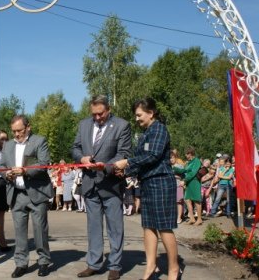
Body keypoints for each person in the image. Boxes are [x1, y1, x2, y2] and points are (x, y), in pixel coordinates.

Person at [114, 97, 181, 280]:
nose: (136, 119)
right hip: (148, 183)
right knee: (148, 226)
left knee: (164, 227)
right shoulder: (145, 133)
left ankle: (173, 268)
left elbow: (153, 155)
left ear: (151, 113)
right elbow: (142, 162)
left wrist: (127, 162)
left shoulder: (159, 129)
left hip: (161, 182)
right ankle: (151, 266)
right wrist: (125, 171)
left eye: (139, 115)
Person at [72, 95, 131, 280]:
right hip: (90, 185)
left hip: (111, 184)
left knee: (115, 227)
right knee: (94, 227)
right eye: (94, 114)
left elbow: (124, 153)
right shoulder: (84, 125)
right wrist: (81, 158)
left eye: (101, 114)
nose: (97, 118)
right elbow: (75, 148)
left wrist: (104, 166)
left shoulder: (122, 126)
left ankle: (115, 265)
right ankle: (94, 264)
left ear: (108, 109)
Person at [0, 115, 53, 278]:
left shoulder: (39, 141)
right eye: (14, 131)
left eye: (19, 130)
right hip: (16, 194)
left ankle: (43, 261)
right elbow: (1, 165)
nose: (16, 134)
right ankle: (21, 263)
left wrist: (24, 170)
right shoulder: (7, 145)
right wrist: (6, 174)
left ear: (28, 127)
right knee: (19, 232)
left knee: (40, 230)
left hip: (37, 192)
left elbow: (43, 163)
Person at [174, 147, 202, 226]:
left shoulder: (196, 161)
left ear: (191, 153)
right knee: (187, 200)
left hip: (195, 182)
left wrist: (185, 180)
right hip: (189, 182)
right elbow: (184, 170)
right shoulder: (189, 162)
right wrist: (174, 167)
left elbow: (193, 173)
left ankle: (199, 219)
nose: (186, 155)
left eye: (187, 154)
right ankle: (192, 218)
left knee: (196, 200)